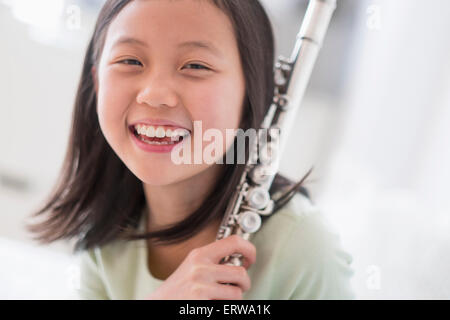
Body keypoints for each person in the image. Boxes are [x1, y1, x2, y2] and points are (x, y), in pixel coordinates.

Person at [27, 0, 355, 300]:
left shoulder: (304, 250)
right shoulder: (106, 240)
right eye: (130, 60)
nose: (155, 95)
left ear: (253, 93)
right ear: (97, 83)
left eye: (196, 66)